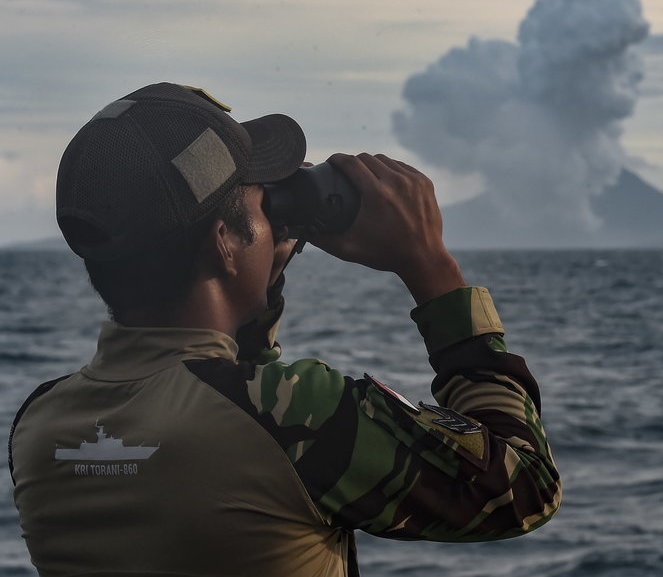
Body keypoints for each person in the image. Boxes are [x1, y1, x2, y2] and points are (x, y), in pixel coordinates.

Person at [8, 83, 561, 576]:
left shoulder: (40, 424)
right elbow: (523, 487)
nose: (276, 218)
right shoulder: (297, 414)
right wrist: (431, 269)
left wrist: (255, 279)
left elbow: (221, 398)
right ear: (225, 242)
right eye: (264, 200)